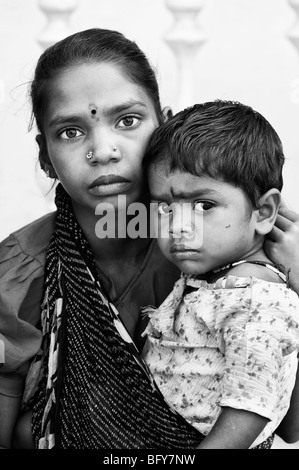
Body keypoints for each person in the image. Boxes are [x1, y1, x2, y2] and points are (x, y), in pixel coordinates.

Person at [0, 29, 298, 450]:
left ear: (163, 127)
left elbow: (288, 424)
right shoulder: (19, 273)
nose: (103, 150)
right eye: (70, 131)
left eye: (127, 120)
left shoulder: (231, 251)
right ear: (45, 156)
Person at [141, 100, 299, 449]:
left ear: (264, 212)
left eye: (203, 206)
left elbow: (250, 404)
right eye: (164, 208)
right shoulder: (212, 278)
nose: (178, 226)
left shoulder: (254, 295)